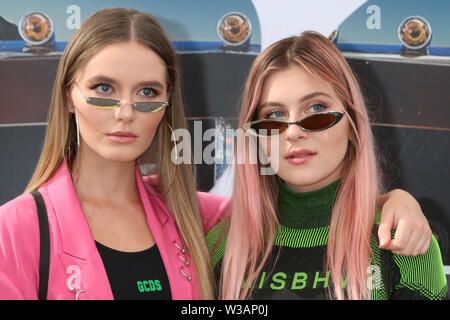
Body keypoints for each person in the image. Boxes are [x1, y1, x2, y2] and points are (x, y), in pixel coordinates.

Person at [0, 8, 433, 300]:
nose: (126, 112)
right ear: (68, 96)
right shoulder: (14, 231)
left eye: (147, 92)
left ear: (168, 103)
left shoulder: (194, 216)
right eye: (103, 89)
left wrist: (392, 203)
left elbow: (302, 207)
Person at [207, 31, 447, 300]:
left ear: (353, 124)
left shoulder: (403, 243)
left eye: (317, 108)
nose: (293, 132)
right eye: (275, 115)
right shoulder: (221, 247)